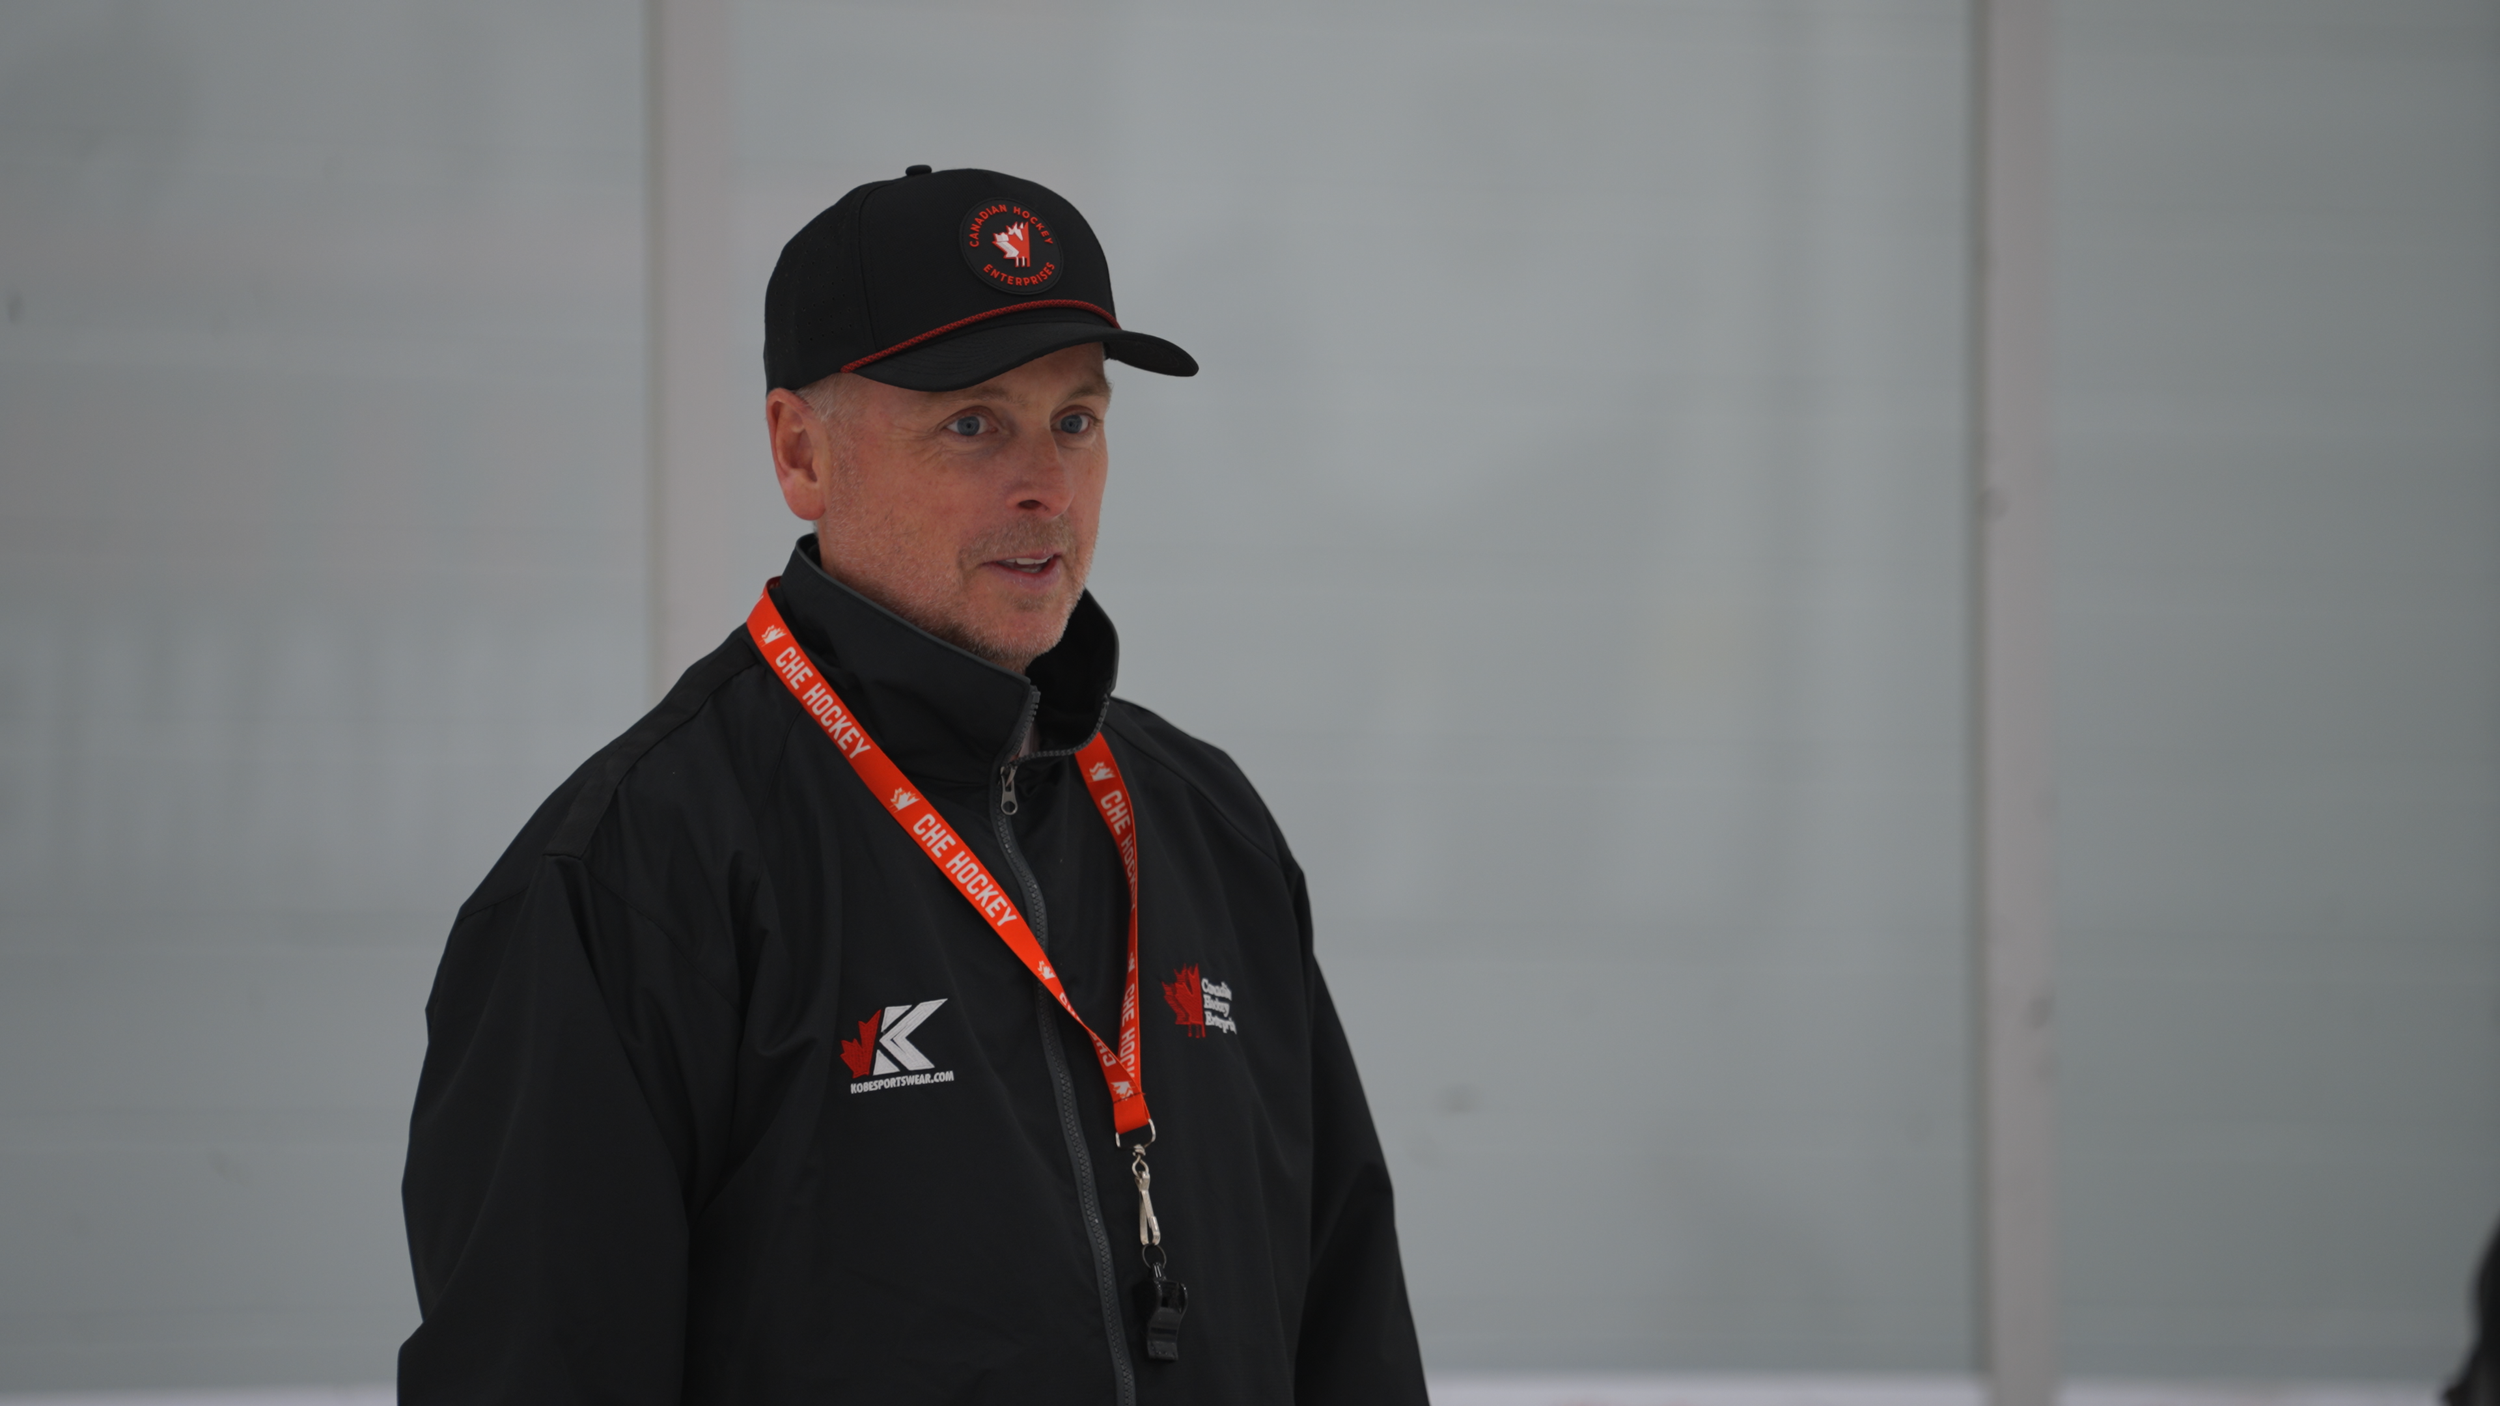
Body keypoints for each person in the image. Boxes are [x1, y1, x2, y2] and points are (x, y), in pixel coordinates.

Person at [396, 165, 1427, 1405]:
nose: (1044, 482)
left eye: (1077, 420)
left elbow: (1350, 1327)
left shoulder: (1205, 821)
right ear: (799, 452)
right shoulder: (634, 871)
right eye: (973, 423)